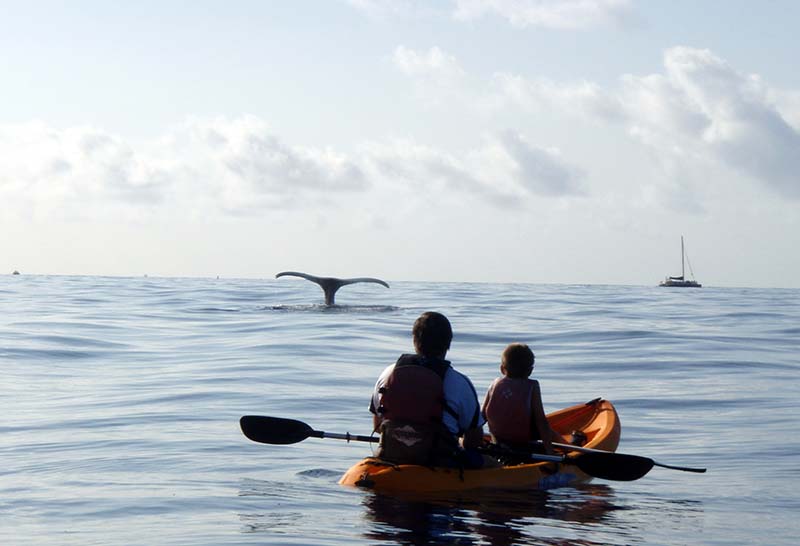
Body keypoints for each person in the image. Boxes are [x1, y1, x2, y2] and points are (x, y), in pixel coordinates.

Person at [369, 311, 486, 466]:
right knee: (489, 462)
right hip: (439, 462)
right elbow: (474, 440)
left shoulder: (388, 374)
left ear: (415, 340)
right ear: (448, 343)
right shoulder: (459, 383)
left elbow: (377, 426)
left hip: (391, 457)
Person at [482, 343, 562, 455]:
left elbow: (481, 416)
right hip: (524, 445)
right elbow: (541, 421)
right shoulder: (532, 386)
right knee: (550, 432)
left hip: (498, 443)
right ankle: (571, 447)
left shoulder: (494, 384)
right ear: (530, 371)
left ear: (502, 368)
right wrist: (549, 451)